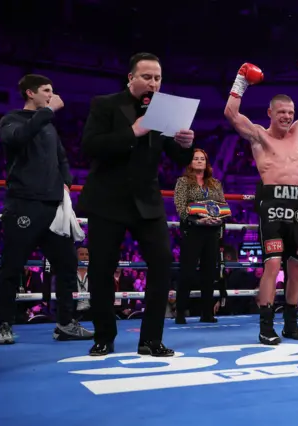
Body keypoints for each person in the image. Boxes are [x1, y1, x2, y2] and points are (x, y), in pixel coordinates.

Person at [79, 52, 195, 357]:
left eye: (157, 78)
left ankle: (151, 340)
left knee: (161, 265)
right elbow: (90, 146)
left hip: (147, 201)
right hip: (107, 201)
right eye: (147, 77)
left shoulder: (165, 110)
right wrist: (134, 131)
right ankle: (104, 336)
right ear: (131, 78)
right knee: (102, 270)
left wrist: (186, 144)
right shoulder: (104, 104)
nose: (153, 83)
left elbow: (179, 157)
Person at [224, 53, 298, 345]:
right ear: (270, 113)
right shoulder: (258, 135)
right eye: (281, 111)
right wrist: (241, 81)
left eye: (290, 111)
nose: (287, 116)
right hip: (272, 205)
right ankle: (265, 325)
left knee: (297, 266)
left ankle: (291, 324)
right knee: (272, 264)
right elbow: (231, 114)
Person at [0, 74, 93, 344]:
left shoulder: (49, 126)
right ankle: (1, 324)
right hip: (24, 203)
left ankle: (65, 323)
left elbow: (61, 157)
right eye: (47, 90)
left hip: (54, 207)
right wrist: (48, 112)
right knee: (12, 267)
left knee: (67, 265)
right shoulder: (11, 119)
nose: (52, 95)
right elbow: (18, 138)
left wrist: (66, 183)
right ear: (30, 93)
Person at [173, 148, 226, 324]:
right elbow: (180, 206)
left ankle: (207, 313)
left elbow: (223, 205)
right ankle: (180, 312)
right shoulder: (183, 182)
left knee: (209, 272)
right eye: (196, 158)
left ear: (206, 162)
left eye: (202, 158)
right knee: (187, 272)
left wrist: (216, 219)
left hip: (211, 231)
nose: (199, 161)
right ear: (190, 162)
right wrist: (196, 220)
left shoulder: (215, 183)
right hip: (193, 230)